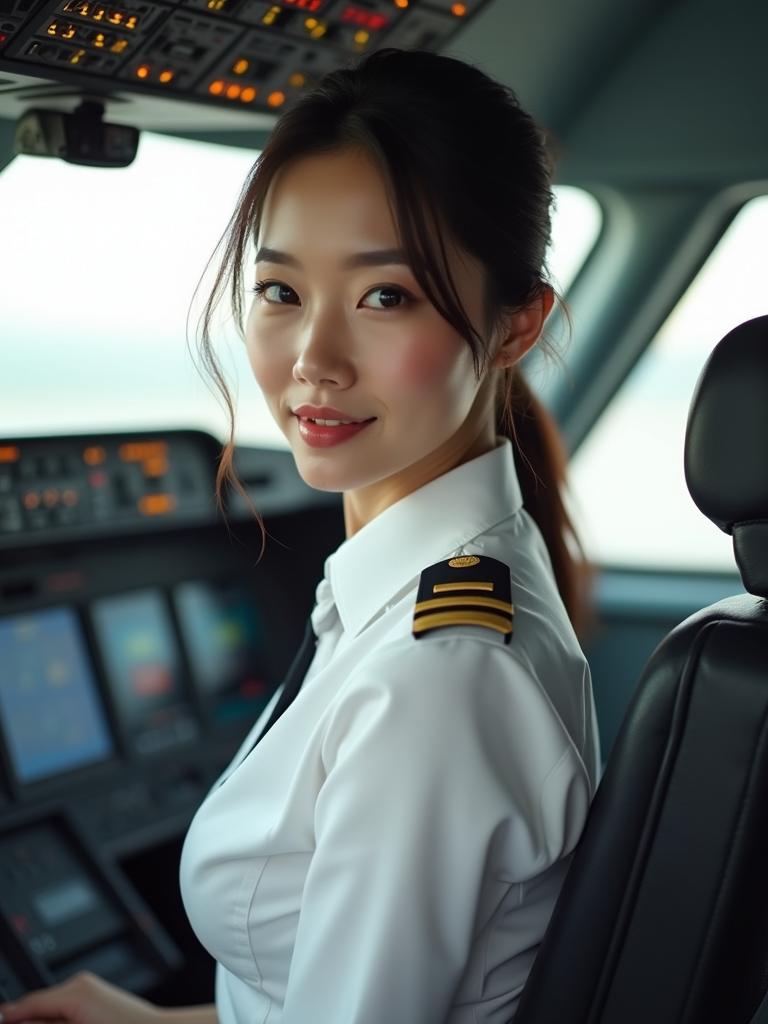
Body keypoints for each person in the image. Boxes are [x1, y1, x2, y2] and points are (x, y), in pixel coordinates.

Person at [0, 47, 599, 1024]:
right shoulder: (421, 588)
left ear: (514, 328)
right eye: (280, 291)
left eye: (384, 296)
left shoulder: (436, 673)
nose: (312, 361)